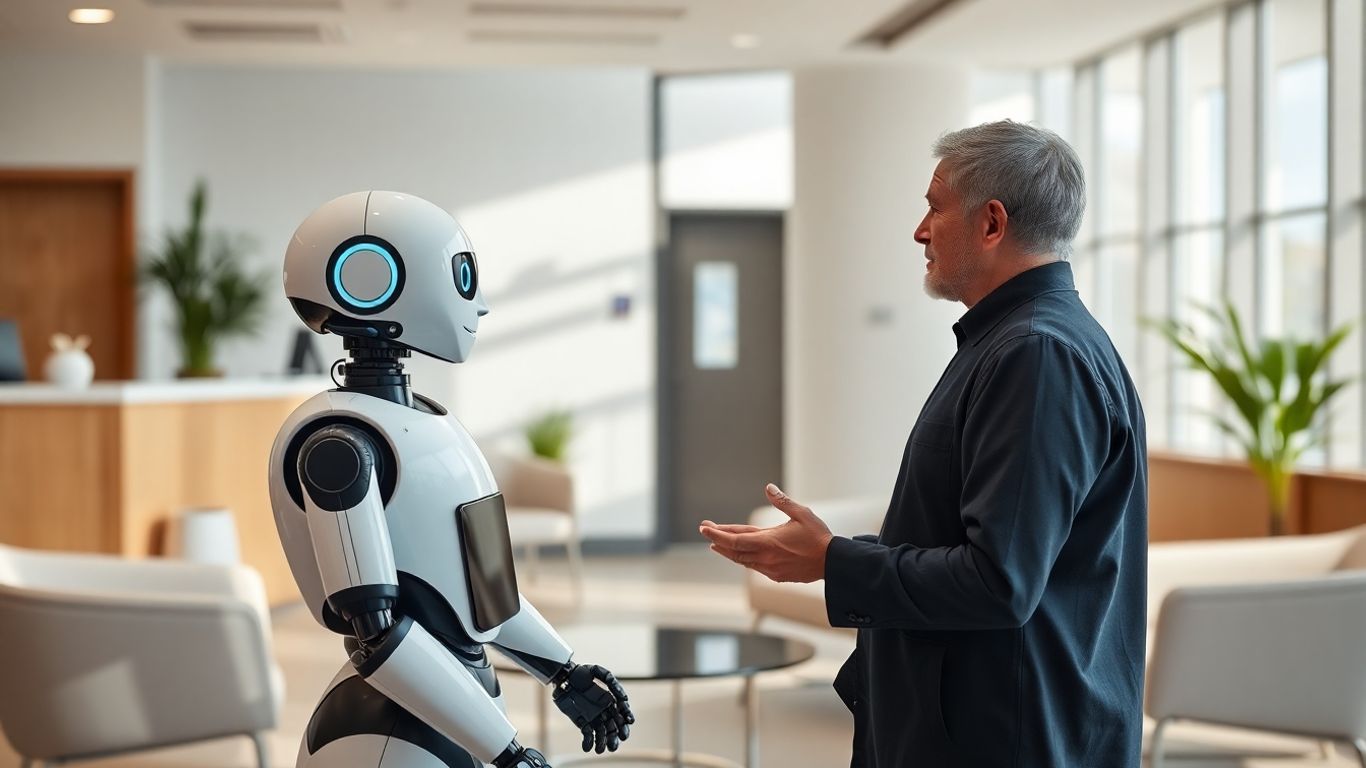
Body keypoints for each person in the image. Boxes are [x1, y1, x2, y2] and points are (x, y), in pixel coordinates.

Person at [699, 120, 1147, 768]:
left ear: (991, 223)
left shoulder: (1037, 354)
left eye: (935, 207)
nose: (920, 230)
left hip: (1004, 739)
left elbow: (998, 581)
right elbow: (973, 542)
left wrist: (835, 561)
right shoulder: (1020, 342)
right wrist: (837, 552)